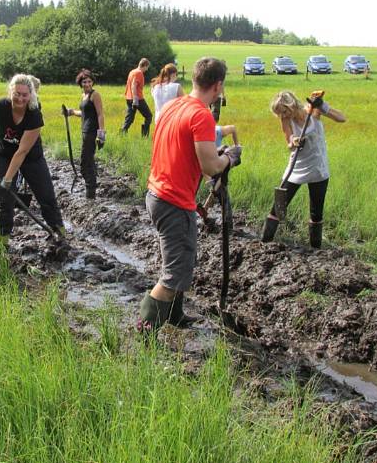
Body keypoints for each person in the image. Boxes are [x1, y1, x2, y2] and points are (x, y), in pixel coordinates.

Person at [138, 57, 242, 333]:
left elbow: (190, 154)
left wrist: (215, 156)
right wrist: (229, 158)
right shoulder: (202, 115)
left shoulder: (173, 106)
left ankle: (175, 315)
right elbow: (210, 166)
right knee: (174, 273)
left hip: (157, 193)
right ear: (218, 86)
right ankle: (145, 331)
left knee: (181, 259)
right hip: (174, 202)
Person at [0, 74, 65, 243]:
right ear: (10, 91)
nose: (20, 98)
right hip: (4, 155)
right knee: (4, 200)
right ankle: (2, 240)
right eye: (17, 93)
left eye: (24, 95)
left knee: (46, 196)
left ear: (31, 95)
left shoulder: (34, 115)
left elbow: (22, 151)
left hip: (31, 157)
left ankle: (58, 231)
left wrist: (7, 179)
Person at [261, 90, 346, 248]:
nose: (282, 115)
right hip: (297, 168)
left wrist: (323, 105)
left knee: (316, 212)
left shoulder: (313, 111)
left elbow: (342, 118)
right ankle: (264, 244)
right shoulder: (285, 120)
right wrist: (294, 141)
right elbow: (288, 141)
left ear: (291, 105)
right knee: (278, 206)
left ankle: (316, 250)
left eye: (284, 111)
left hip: (318, 168)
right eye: (280, 113)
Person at [64, 69, 106, 199]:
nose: (87, 84)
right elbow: (85, 113)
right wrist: (71, 112)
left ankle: (90, 193)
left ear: (92, 82)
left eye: (89, 81)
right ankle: (90, 190)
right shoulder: (84, 96)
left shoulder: (95, 95)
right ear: (80, 83)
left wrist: (101, 135)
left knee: (85, 164)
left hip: (91, 132)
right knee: (89, 161)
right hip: (85, 131)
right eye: (84, 82)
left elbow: (100, 114)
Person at [120, 58, 153, 137]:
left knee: (130, 117)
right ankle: (144, 135)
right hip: (138, 99)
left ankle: (122, 133)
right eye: (147, 67)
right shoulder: (139, 73)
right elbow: (133, 85)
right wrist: (135, 98)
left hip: (128, 98)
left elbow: (128, 84)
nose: (147, 69)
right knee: (149, 116)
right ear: (144, 65)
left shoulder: (132, 72)